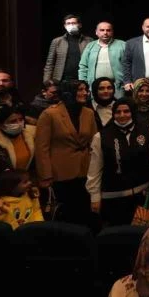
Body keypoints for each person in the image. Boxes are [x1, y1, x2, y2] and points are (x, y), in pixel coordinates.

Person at [86, 98, 149, 227]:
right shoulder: (101, 137)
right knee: (117, 234)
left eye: (126, 111)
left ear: (132, 112)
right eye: (118, 112)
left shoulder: (148, 129)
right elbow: (94, 170)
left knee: (141, 234)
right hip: (113, 198)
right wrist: (94, 197)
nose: (122, 115)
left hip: (142, 196)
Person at [35, 79, 98, 228]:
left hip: (85, 172)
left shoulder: (89, 113)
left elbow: (94, 143)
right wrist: (45, 175)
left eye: (85, 89)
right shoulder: (50, 114)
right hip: (60, 174)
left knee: (84, 214)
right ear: (69, 92)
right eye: (80, 90)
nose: (85, 93)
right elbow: (42, 147)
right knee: (66, 216)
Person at [0, 104, 37, 218]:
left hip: (23, 192)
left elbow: (32, 167)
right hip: (1, 194)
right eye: (13, 121)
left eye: (20, 119)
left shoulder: (28, 136)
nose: (18, 123)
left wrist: (32, 184)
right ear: (1, 124)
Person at [78, 21, 127, 99]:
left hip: (117, 86)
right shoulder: (90, 46)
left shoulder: (122, 45)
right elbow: (83, 66)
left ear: (112, 32)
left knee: (118, 105)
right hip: (94, 87)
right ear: (96, 32)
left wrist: (127, 82)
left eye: (108, 30)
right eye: (102, 30)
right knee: (95, 106)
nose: (105, 33)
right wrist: (83, 84)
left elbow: (128, 66)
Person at [122, 17, 149, 101]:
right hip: (138, 84)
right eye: (148, 27)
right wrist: (127, 81)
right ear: (143, 27)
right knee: (139, 107)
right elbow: (126, 63)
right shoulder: (131, 43)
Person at [44, 14, 92, 84]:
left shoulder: (89, 41)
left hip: (83, 79)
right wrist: (47, 80)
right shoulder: (57, 41)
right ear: (65, 26)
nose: (71, 25)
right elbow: (50, 63)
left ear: (80, 25)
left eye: (74, 23)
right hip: (61, 80)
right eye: (68, 23)